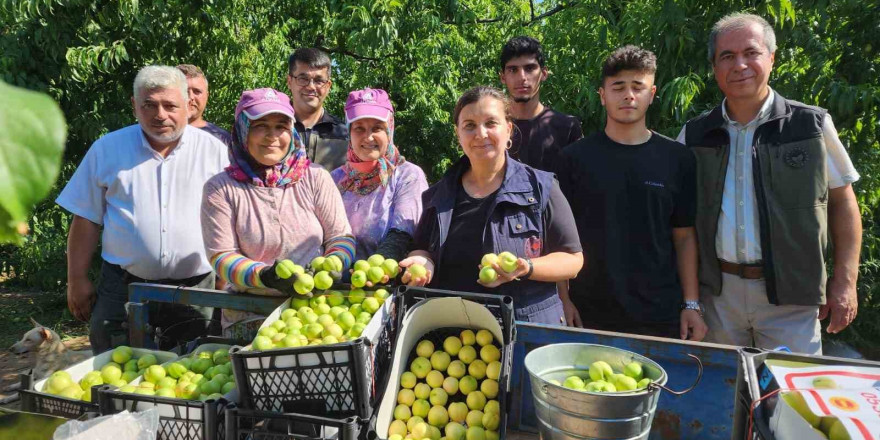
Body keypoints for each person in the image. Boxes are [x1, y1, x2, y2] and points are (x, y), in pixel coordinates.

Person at [677, 13, 862, 354]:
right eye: (727, 56)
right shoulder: (694, 134)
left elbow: (844, 203)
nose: (740, 65)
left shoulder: (811, 125)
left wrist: (844, 282)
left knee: (790, 402)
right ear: (714, 66)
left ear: (772, 58)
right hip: (717, 297)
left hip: (791, 297)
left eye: (751, 52)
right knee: (722, 397)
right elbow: (680, 221)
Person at [57, 65, 229, 354]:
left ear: (187, 105)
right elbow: (86, 218)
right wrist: (76, 279)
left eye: (169, 105)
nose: (160, 114)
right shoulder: (107, 149)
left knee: (193, 375)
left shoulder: (214, 151)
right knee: (115, 370)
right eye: (149, 105)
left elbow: (229, 220)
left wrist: (226, 282)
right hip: (123, 289)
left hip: (197, 290)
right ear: (134, 105)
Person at [558, 46, 708, 340]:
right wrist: (563, 298)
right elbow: (560, 238)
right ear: (602, 95)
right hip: (588, 310)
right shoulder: (573, 159)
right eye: (618, 87)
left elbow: (685, 236)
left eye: (637, 87)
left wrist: (691, 304)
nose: (629, 95)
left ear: (651, 94)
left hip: (660, 314)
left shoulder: (678, 159)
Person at [401, 86, 584, 325]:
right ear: (458, 135)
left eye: (490, 123)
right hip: (455, 336)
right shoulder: (438, 196)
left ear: (508, 129)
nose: (480, 133)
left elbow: (573, 260)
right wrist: (422, 261)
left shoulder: (542, 188)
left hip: (525, 333)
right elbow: (423, 248)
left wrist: (525, 267)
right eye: (469, 125)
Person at [201, 87, 355, 333]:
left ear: (291, 131)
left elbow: (341, 237)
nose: (272, 136)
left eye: (281, 126)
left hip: (317, 316)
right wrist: (264, 276)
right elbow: (221, 257)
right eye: (260, 125)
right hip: (250, 317)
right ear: (243, 130)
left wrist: (334, 262)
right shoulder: (221, 189)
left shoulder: (315, 178)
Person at [331, 88, 429, 262]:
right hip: (334, 283)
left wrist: (376, 268)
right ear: (349, 131)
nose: (368, 137)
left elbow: (402, 234)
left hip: (387, 281)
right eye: (359, 128)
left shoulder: (407, 175)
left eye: (377, 128)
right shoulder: (335, 179)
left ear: (389, 130)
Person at [499, 36, 582, 172]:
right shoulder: (492, 128)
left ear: (543, 73)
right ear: (503, 77)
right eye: (513, 70)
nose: (522, 77)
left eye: (530, 68)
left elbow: (579, 185)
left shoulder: (567, 127)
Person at [285, 48, 348, 171]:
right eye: (303, 79)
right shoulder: (276, 129)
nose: (311, 87)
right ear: (289, 81)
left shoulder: (344, 135)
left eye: (319, 81)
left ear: (328, 86)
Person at [176, 64, 232, 145]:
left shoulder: (222, 140)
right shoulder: (156, 138)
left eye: (197, 91)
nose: (191, 97)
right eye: (184, 91)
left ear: (207, 96)